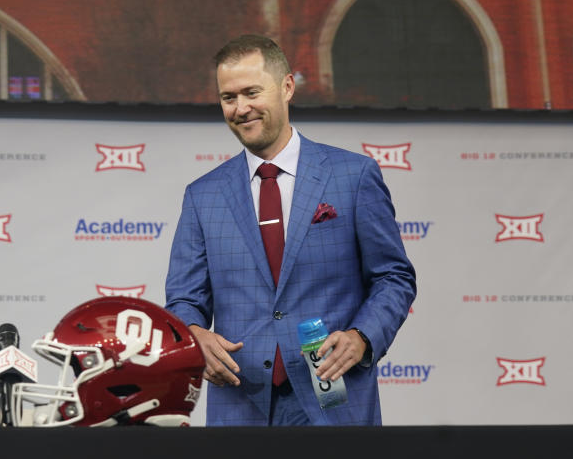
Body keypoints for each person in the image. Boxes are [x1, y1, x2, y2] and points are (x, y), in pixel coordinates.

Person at [164, 34, 416, 426]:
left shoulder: (353, 176)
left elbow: (393, 277)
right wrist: (194, 333)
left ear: (286, 87)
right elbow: (183, 299)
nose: (240, 108)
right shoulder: (202, 195)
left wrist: (362, 336)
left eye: (251, 92)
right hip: (239, 403)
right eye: (228, 97)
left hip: (335, 398)